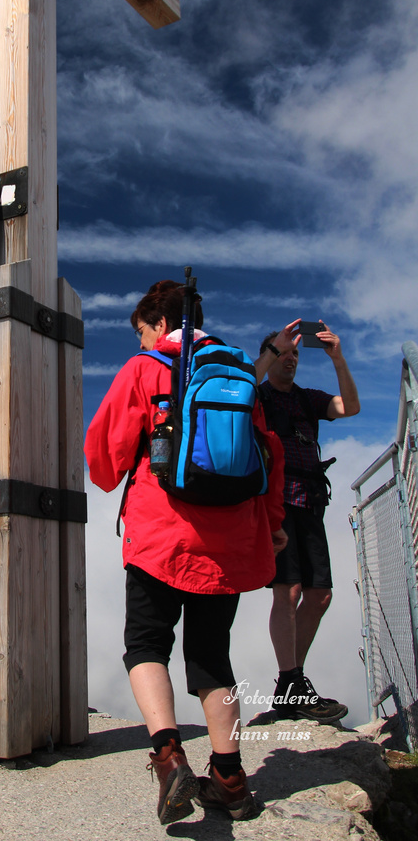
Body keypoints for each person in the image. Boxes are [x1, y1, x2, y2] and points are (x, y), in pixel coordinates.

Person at [84, 280, 287, 825]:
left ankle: (170, 757)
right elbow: (270, 456)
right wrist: (272, 525)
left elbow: (104, 455)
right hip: (229, 543)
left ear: (158, 324)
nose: (138, 343)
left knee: (146, 643)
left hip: (160, 535)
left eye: (140, 332)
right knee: (210, 657)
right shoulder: (241, 374)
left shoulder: (146, 370)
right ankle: (230, 780)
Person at [255, 320, 360, 723]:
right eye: (286, 353)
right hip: (275, 504)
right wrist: (274, 350)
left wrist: (338, 359)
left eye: (297, 354)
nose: (292, 360)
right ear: (273, 354)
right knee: (290, 590)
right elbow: (244, 386)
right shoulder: (258, 396)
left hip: (310, 501)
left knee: (320, 596)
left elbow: (350, 407)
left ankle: (289, 687)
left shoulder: (307, 399)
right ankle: (293, 680)